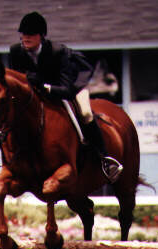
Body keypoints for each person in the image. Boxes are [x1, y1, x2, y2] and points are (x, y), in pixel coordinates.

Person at [9, 11, 123, 184]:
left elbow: (67, 89)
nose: (25, 38)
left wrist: (44, 86)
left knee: (85, 113)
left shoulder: (58, 52)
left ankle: (104, 158)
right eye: (23, 34)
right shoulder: (16, 51)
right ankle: (11, 162)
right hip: (40, 90)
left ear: (41, 36)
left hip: (73, 85)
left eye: (30, 34)